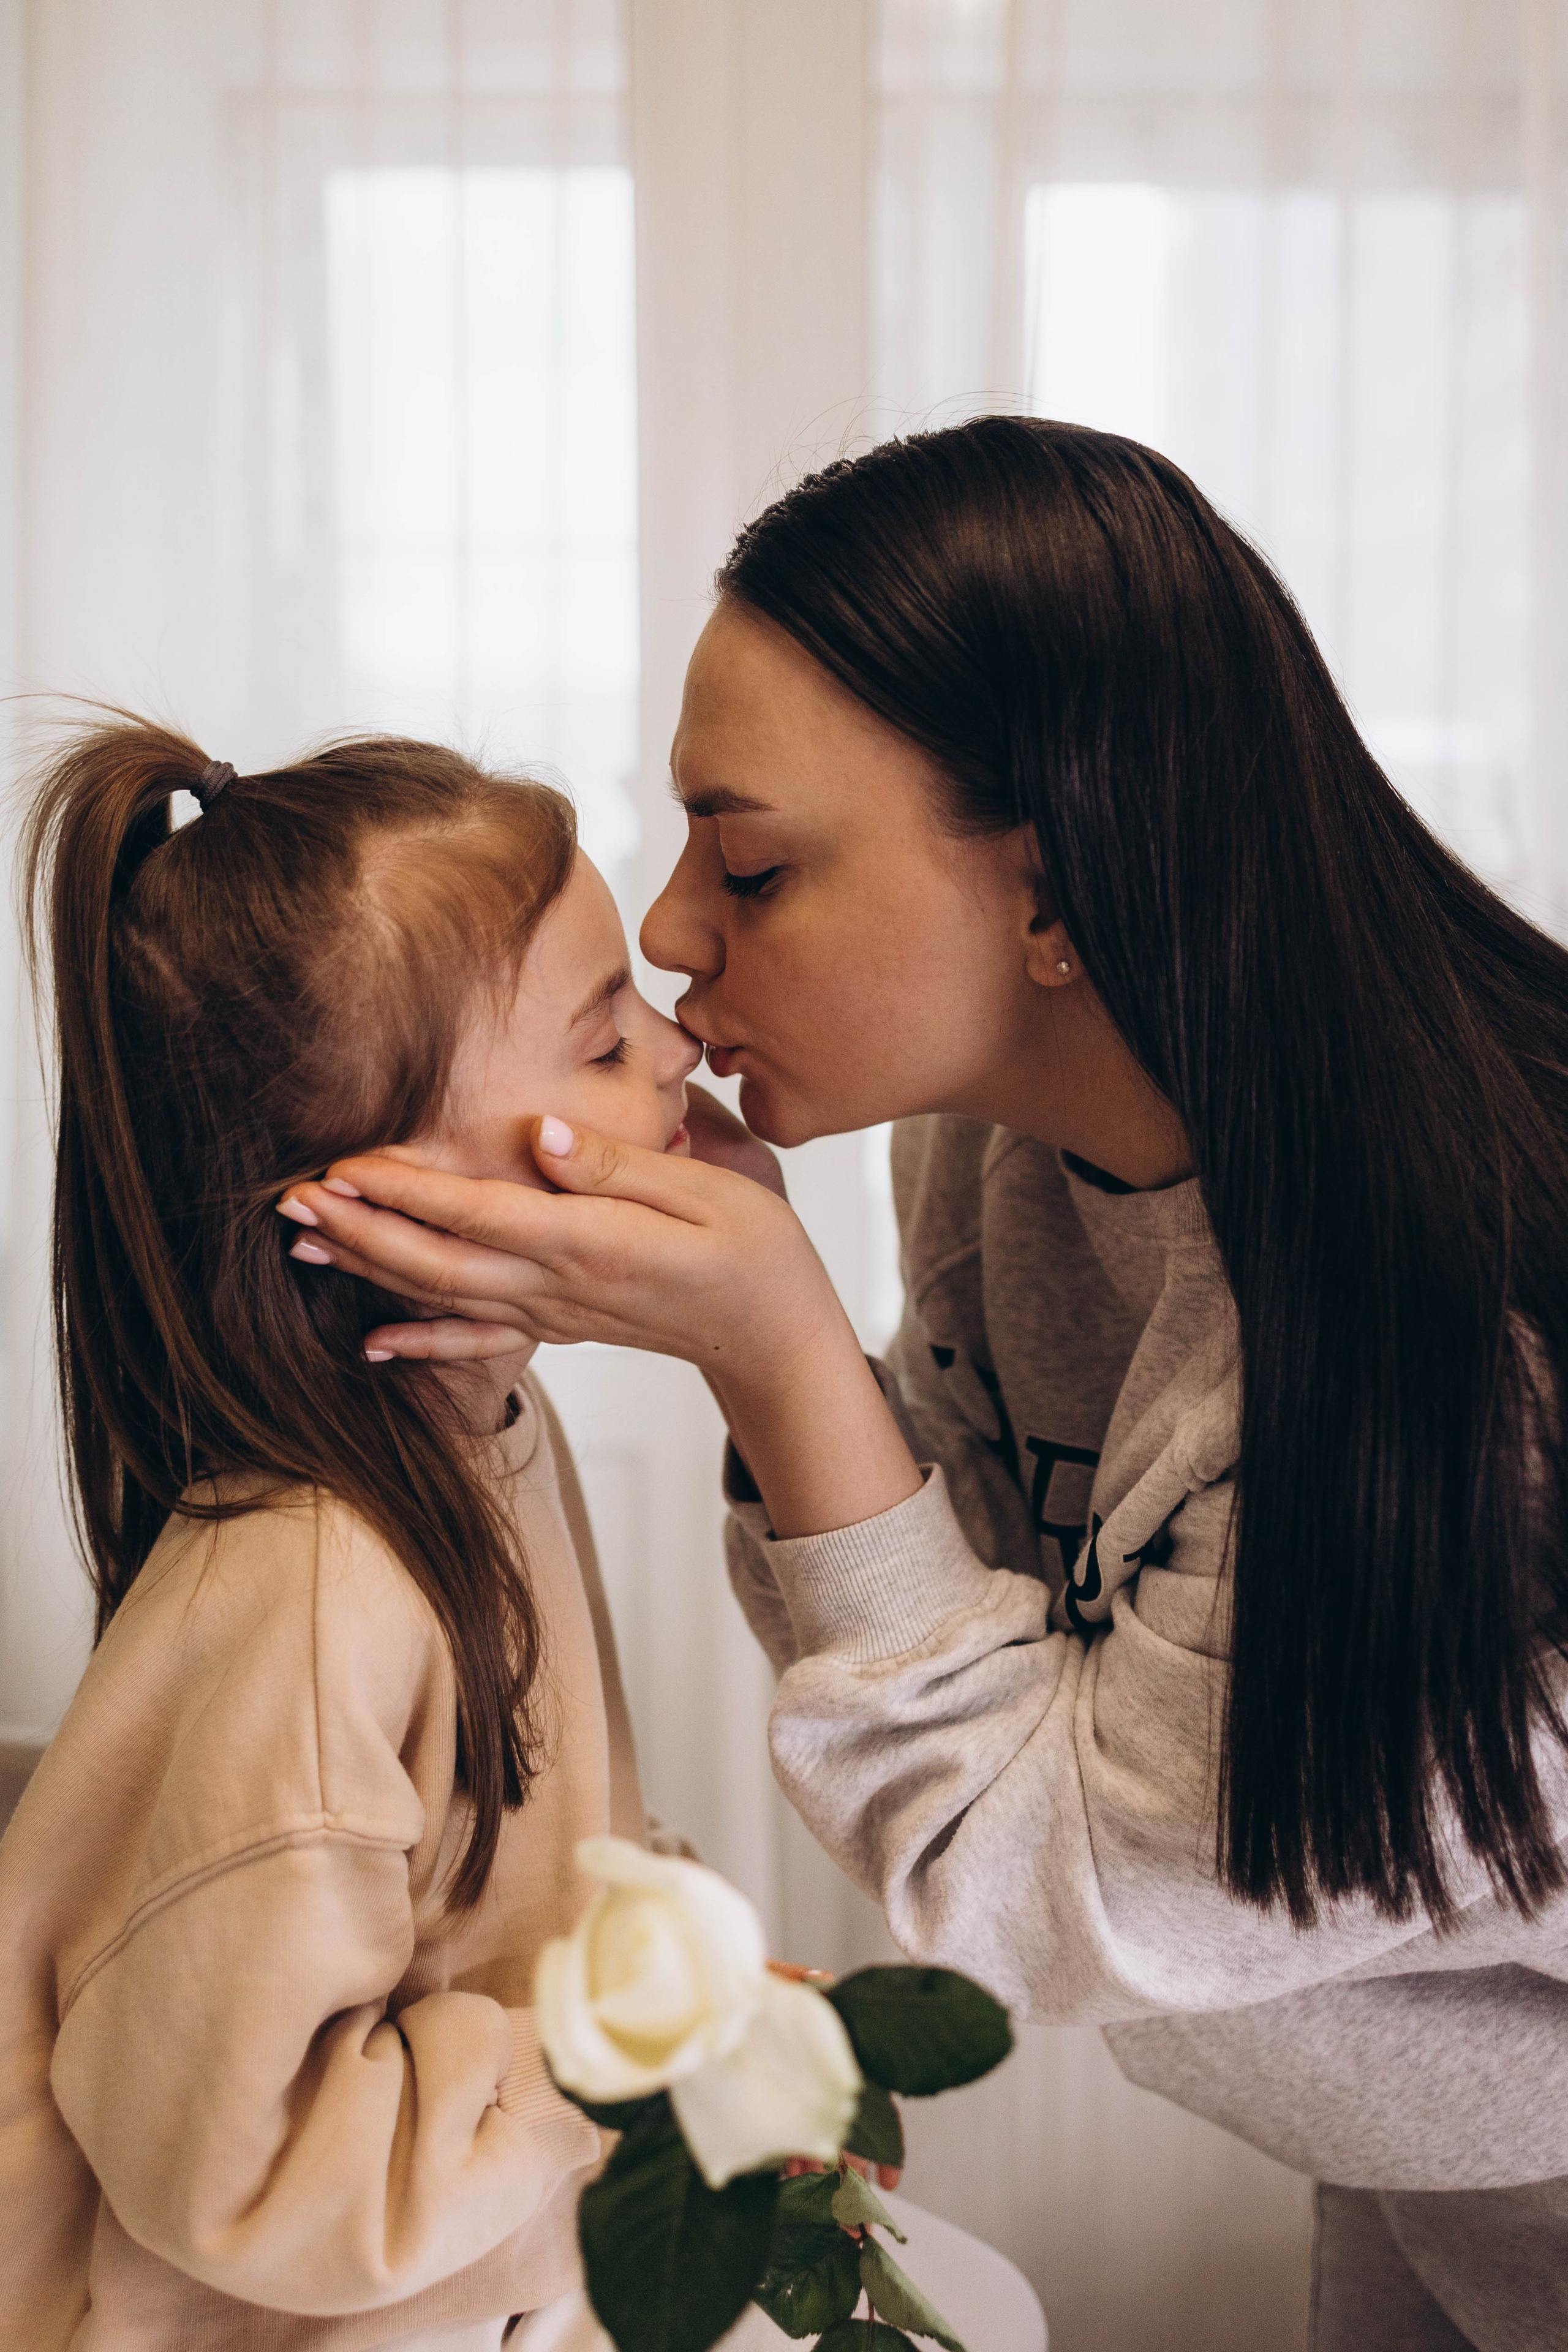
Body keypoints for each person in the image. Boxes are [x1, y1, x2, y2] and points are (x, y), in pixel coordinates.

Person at [284, 417, 1568, 2352]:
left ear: (1055, 890)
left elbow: (1055, 1886)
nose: (668, 933)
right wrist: (754, 1349)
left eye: (755, 860)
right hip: (1426, 2173)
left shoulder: (1459, 1344)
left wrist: (775, 1347)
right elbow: (941, 1625)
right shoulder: (996, 1150)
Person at [0, 720, 698, 2351]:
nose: (675, 1057)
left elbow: (516, 1903)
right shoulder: (321, 1601)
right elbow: (247, 2161)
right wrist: (626, 2053)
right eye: (602, 1042)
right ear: (375, 1198)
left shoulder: (489, 1432)